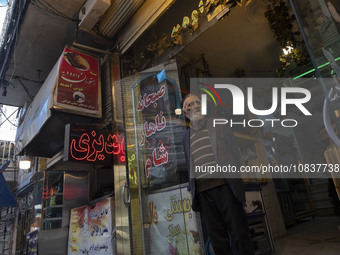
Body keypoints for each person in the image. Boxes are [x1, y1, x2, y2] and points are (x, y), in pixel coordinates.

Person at [181, 94, 254, 255]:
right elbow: (189, 165)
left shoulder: (219, 125)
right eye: (189, 104)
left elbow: (235, 155)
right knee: (217, 240)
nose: (195, 105)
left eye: (197, 102)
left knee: (239, 233)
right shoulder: (185, 137)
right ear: (185, 113)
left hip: (225, 186)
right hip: (203, 194)